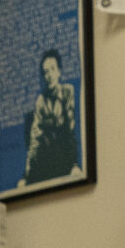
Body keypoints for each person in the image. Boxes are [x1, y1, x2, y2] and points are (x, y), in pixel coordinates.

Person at [21, 49, 79, 185]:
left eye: (52, 69)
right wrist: (26, 175)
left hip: (66, 158)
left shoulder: (68, 92)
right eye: (45, 72)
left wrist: (75, 164)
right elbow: (35, 138)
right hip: (49, 161)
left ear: (59, 71)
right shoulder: (41, 101)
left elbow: (72, 130)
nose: (49, 75)